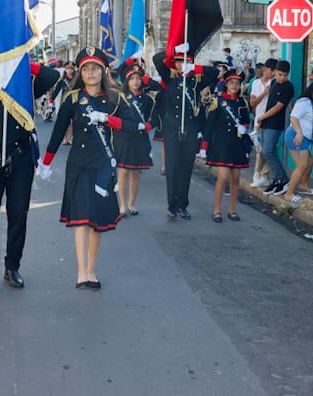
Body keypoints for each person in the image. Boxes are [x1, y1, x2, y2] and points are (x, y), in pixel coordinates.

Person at [0, 40, 59, 289]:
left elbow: (52, 75)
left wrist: (19, 59)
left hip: (20, 157)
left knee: (18, 216)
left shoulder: (27, 82)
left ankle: (12, 267)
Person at [38, 48, 132, 289]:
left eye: (95, 68)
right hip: (78, 166)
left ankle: (92, 270)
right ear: (81, 72)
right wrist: (46, 162)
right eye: (86, 69)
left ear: (103, 72)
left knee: (96, 221)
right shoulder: (72, 98)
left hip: (103, 167)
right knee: (81, 219)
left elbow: (134, 125)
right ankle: (81, 272)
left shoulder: (115, 98)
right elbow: (59, 131)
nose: (91, 73)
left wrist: (108, 119)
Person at [152, 47, 220, 220]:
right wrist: (174, 49)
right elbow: (157, 59)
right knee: (172, 167)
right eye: (180, 61)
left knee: (186, 168)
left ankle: (183, 204)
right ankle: (172, 206)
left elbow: (215, 72)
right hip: (172, 127)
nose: (182, 65)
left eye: (186, 61)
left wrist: (194, 69)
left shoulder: (196, 81)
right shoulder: (170, 77)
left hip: (190, 128)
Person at [199, 70, 252, 222]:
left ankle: (232, 209)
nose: (235, 86)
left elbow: (245, 119)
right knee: (222, 177)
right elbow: (210, 125)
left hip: (237, 143)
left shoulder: (242, 102)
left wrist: (244, 126)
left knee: (235, 179)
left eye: (237, 83)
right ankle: (216, 210)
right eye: (232, 83)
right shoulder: (218, 101)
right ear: (226, 84)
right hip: (221, 143)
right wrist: (204, 145)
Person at [114, 62, 157, 217]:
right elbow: (114, 119)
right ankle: (122, 206)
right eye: (132, 78)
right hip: (124, 138)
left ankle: (132, 204)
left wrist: (148, 125)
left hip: (140, 139)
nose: (135, 81)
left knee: (136, 173)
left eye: (138, 78)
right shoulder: (120, 98)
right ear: (127, 80)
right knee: (123, 172)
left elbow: (156, 118)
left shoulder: (148, 100)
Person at [282, 81, 313, 202]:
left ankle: (303, 185)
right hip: (297, 136)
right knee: (302, 165)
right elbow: (293, 117)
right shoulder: (304, 102)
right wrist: (299, 133)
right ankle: (289, 194)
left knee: (311, 162)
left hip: (310, 138)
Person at [255, 60, 295, 196]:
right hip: (266, 122)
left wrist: (261, 118)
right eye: (279, 74)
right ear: (275, 72)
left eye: (285, 75)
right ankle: (276, 180)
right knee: (266, 152)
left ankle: (283, 179)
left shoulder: (289, 87)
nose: (282, 77)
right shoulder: (272, 83)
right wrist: (261, 121)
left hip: (275, 124)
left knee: (268, 151)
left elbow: (278, 107)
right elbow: (269, 104)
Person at [248, 58, 277, 187]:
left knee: (266, 149)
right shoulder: (255, 83)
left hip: (270, 120)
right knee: (259, 149)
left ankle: (262, 174)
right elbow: (252, 103)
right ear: (266, 69)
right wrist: (264, 93)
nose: (274, 74)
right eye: (273, 71)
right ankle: (259, 173)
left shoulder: (275, 83)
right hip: (258, 119)